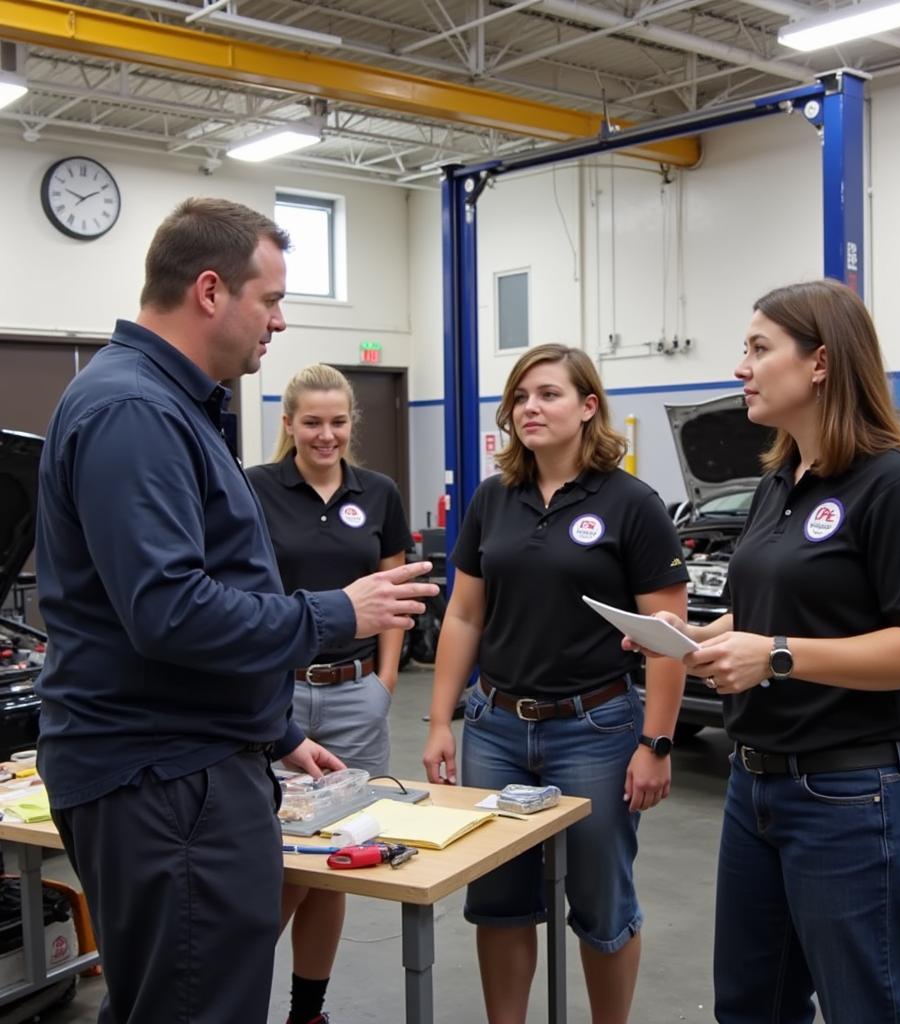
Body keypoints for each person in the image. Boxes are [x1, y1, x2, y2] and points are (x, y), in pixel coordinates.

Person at [33, 198, 438, 1024]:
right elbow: (169, 613)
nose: (281, 322)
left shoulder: (167, 404)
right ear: (211, 290)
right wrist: (337, 613)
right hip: (165, 780)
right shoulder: (136, 411)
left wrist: (277, 732)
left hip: (187, 761)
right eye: (272, 299)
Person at [630, 280, 900, 1024]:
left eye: (758, 349)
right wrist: (702, 639)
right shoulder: (780, 482)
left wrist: (777, 655)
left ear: (820, 362)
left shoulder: (897, 485)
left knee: (870, 1009)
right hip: (756, 788)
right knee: (753, 1008)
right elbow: (773, 612)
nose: (739, 367)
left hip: (858, 795)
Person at [422, 343, 688, 1024]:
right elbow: (463, 613)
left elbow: (667, 636)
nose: (530, 408)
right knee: (500, 901)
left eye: (548, 394)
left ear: (588, 407)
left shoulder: (632, 503)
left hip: (596, 731)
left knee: (602, 903)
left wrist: (655, 742)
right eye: (520, 397)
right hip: (496, 728)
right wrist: (439, 720)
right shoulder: (493, 498)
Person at [247, 364, 412, 1024]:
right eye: (311, 422)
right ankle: (237, 996)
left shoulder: (379, 493)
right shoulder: (255, 489)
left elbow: (396, 592)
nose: (326, 435)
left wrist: (385, 681)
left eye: (338, 422)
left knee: (332, 859)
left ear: (352, 423)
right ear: (288, 423)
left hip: (354, 692)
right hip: (278, 696)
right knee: (277, 857)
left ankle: (306, 1011)